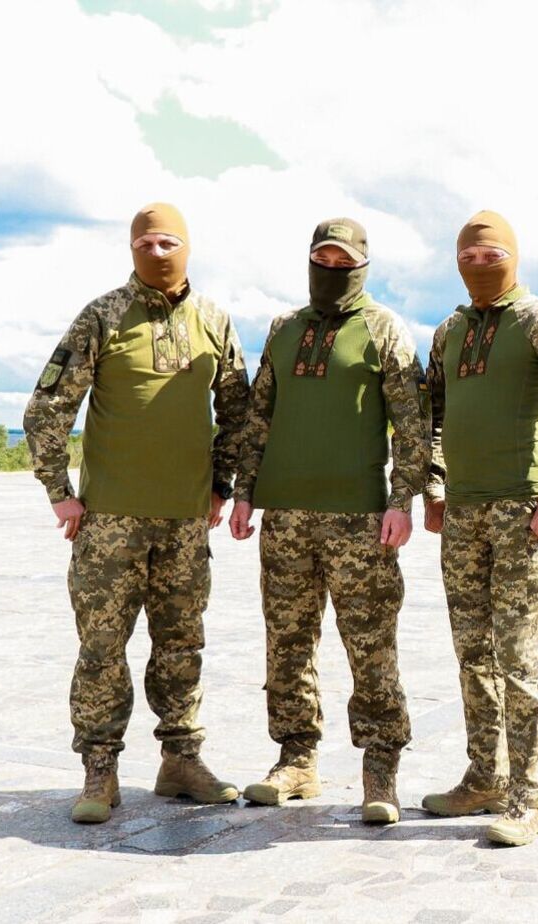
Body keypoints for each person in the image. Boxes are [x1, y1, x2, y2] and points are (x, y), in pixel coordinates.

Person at [22, 202, 250, 823]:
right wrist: (59, 491)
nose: (158, 251)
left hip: (183, 523)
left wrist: (220, 487)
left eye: (169, 241)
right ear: (131, 249)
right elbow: (46, 409)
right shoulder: (103, 316)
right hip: (109, 525)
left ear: (188, 247)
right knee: (102, 649)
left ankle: (181, 760)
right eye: (147, 242)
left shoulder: (213, 321)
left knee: (181, 643)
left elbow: (240, 411)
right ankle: (100, 771)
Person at [227, 217, 428, 825]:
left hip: (360, 521)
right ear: (310, 261)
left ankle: (380, 766)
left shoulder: (385, 329)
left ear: (362, 267)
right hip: (285, 517)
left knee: (370, 647)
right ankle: (296, 759)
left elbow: (412, 426)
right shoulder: (285, 329)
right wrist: (244, 491)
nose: (333, 272)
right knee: (286, 642)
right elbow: (259, 414)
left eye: (345, 264)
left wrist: (402, 500)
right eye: (324, 260)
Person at [420, 210, 538, 846]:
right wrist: (438, 489)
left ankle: (532, 798)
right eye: (468, 257)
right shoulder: (447, 333)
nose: (480, 265)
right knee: (473, 655)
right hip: (464, 517)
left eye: (491, 255)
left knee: (523, 660)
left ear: (513, 256)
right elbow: (431, 420)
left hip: (522, 513)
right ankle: (484, 778)